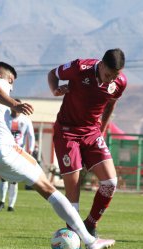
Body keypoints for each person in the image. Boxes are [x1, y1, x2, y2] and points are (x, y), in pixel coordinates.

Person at [0, 61, 115, 249]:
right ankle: (89, 240)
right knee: (48, 188)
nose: (11, 88)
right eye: (12, 84)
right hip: (2, 149)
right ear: (6, 78)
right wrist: (15, 104)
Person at [47, 48, 127, 237]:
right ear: (102, 65)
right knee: (73, 190)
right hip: (67, 132)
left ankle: (90, 224)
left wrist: (102, 131)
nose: (110, 79)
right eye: (108, 74)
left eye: (115, 76)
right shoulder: (79, 68)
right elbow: (53, 74)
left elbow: (110, 104)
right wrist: (55, 90)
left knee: (110, 182)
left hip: (92, 132)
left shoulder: (119, 82)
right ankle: (72, 235)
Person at [0, 99, 35, 211]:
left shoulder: (25, 120)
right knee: (3, 177)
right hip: (5, 150)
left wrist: (30, 150)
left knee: (14, 179)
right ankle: (1, 201)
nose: (16, 110)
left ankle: (11, 205)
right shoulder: (4, 116)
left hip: (18, 152)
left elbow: (31, 135)